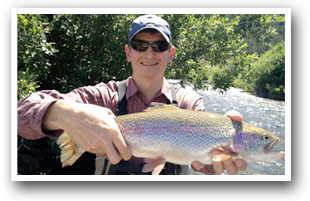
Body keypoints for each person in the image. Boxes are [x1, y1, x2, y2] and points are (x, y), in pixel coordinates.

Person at [18, 14, 247, 175]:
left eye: (159, 46)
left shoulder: (189, 103)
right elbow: (19, 114)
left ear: (171, 53)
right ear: (128, 52)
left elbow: (203, 164)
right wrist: (63, 113)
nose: (149, 53)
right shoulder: (105, 96)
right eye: (140, 45)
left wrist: (214, 165)